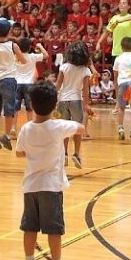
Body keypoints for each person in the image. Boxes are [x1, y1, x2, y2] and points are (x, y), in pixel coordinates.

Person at [15, 80, 85, 260]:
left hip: (30, 187)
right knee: (54, 229)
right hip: (52, 187)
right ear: (54, 105)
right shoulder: (58, 126)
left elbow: (19, 153)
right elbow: (80, 128)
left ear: (32, 103)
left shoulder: (26, 128)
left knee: (30, 227)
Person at [0, 18, 26, 150]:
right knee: (9, 109)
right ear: (9, 31)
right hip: (9, 80)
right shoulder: (13, 46)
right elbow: (23, 60)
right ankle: (6, 135)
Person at [55, 41, 93, 169]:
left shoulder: (64, 67)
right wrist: (86, 105)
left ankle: (64, 154)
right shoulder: (86, 70)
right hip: (76, 100)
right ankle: (76, 154)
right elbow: (85, 90)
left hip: (62, 100)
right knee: (77, 128)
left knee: (63, 128)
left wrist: (54, 99)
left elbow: (58, 85)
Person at [112, 36, 131, 141]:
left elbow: (115, 75)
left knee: (121, 107)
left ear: (121, 47)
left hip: (122, 83)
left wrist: (116, 85)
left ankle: (120, 128)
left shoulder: (118, 59)